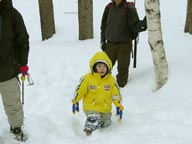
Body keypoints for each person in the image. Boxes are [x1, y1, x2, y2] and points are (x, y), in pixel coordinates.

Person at [72, 52, 124, 136]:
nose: (102, 69)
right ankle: (90, 131)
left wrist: (118, 104)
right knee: (94, 117)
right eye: (99, 66)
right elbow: (80, 90)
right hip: (91, 106)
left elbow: (116, 94)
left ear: (108, 68)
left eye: (104, 66)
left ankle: (104, 122)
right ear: (94, 67)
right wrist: (76, 99)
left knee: (105, 122)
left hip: (105, 107)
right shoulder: (87, 79)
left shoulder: (111, 80)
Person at [0, 0, 30, 141]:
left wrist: (23, 64)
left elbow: (22, 40)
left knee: (12, 102)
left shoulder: (12, 14)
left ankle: (16, 127)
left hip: (8, 69)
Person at [100, 0, 147, 88]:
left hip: (124, 44)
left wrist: (144, 23)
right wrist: (103, 41)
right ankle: (101, 86)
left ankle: (121, 89)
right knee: (104, 66)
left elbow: (135, 25)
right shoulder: (109, 7)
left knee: (123, 69)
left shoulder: (129, 8)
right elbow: (103, 26)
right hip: (110, 44)